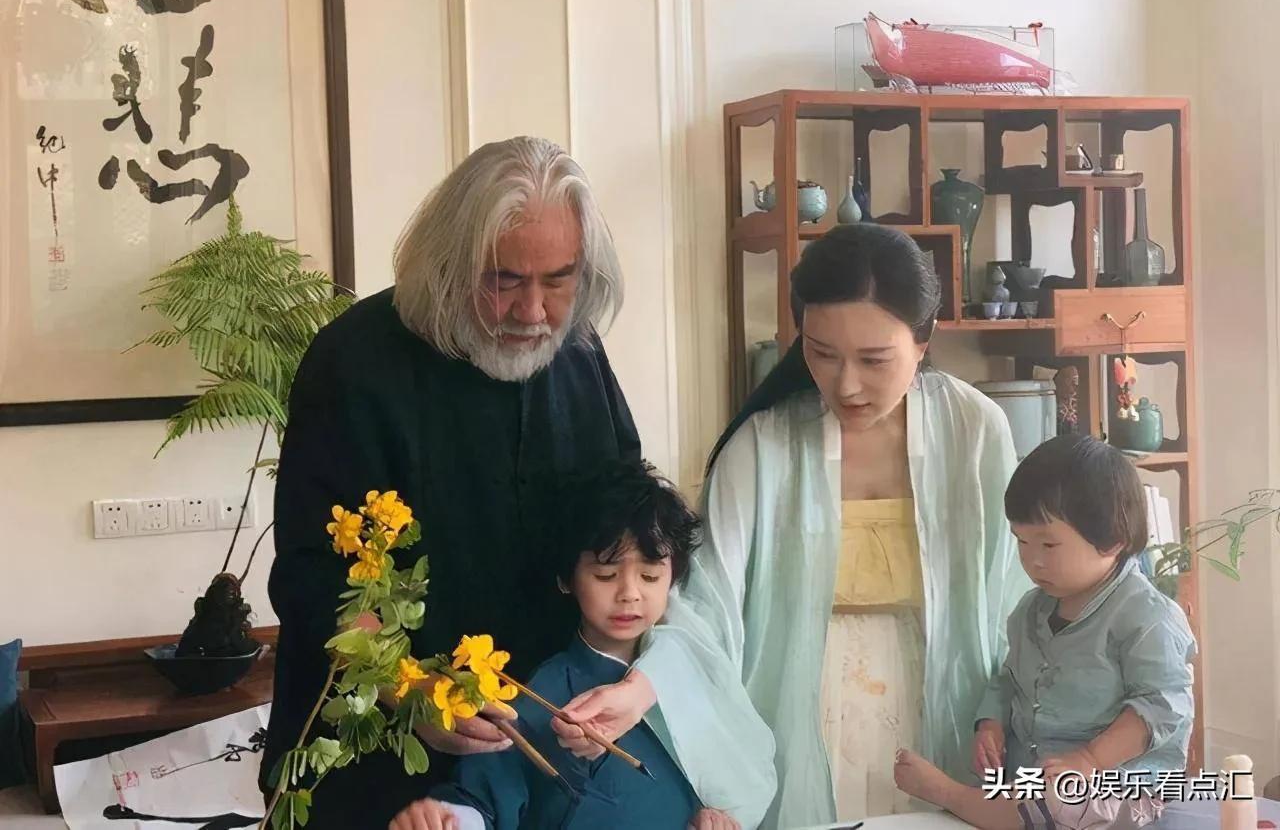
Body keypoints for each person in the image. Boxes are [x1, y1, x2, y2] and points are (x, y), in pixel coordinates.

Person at [554, 224, 1029, 828]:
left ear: (924, 338)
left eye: (874, 360)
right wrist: (642, 690)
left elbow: (1016, 592)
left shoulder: (974, 430)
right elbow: (707, 606)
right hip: (801, 705)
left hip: (945, 696)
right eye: (822, 353)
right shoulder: (764, 445)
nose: (846, 384)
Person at [262, 137, 642, 828]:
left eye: (558, 281)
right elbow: (312, 575)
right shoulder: (354, 363)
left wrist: (637, 676)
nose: (533, 312)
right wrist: (407, 691)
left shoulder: (578, 354)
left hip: (540, 755)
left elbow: (631, 525)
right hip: (378, 761)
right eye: (504, 281)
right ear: (447, 263)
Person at [389, 461, 773, 830]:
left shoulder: (690, 669)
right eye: (606, 574)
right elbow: (485, 798)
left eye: (650, 576)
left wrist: (712, 816)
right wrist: (447, 818)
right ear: (566, 578)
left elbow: (729, 778)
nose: (630, 594)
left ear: (673, 577)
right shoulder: (546, 691)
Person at [894, 433, 1196, 830]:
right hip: (1038, 772)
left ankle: (949, 795)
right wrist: (990, 724)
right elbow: (1008, 679)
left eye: (1049, 545)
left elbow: (1161, 707)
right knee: (1018, 787)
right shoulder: (1029, 610)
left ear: (1112, 540)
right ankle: (989, 804)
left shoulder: (1148, 617)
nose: (1032, 561)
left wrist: (1090, 759)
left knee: (1059, 802)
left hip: (1119, 780)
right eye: (1022, 541)